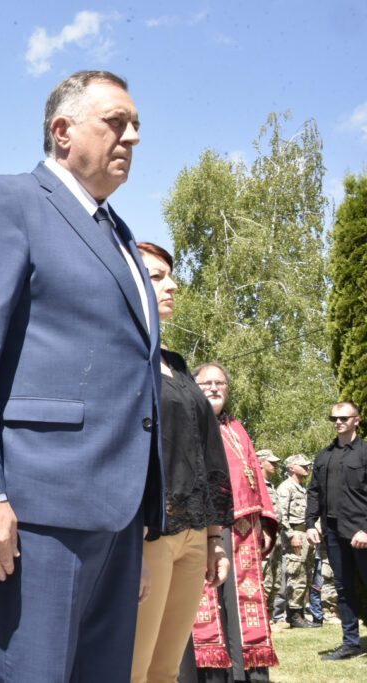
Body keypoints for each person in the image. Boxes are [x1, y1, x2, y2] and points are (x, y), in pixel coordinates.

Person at [0, 69, 164, 682]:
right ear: (63, 131)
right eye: (116, 122)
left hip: (115, 514)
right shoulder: (11, 202)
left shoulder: (117, 233)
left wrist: (137, 521)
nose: (133, 137)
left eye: (136, 126)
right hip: (38, 511)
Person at [130, 242, 232, 683]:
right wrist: (131, 546)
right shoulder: (124, 355)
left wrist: (213, 538)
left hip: (193, 534)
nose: (171, 285)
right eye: (156, 277)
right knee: (132, 669)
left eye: (170, 275)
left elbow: (204, 449)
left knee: (167, 670)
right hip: (148, 534)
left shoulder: (176, 363)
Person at [187, 362, 278, 682]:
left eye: (220, 382)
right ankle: (215, 674)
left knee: (243, 606)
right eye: (206, 383)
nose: (214, 388)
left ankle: (247, 672)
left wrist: (265, 522)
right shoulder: (189, 424)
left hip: (244, 530)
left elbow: (257, 478)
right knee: (208, 602)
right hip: (203, 526)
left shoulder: (237, 428)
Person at [306, 401, 367, 661]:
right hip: (333, 533)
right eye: (334, 418)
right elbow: (314, 492)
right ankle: (351, 643)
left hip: (361, 533)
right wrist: (310, 524)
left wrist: (365, 529)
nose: (338, 422)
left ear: (357, 420)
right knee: (343, 589)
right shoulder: (324, 456)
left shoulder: (365, 452)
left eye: (343, 418)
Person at [276, 453, 316, 628]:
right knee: (296, 575)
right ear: (292, 468)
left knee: (306, 575)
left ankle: (301, 614)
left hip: (306, 534)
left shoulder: (302, 488)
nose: (307, 468)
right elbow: (281, 515)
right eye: (303, 465)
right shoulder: (286, 487)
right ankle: (293, 615)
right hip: (295, 534)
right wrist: (291, 535)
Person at [257, 450, 285, 625]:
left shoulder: (271, 486)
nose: (275, 465)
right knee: (265, 577)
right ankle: (262, 618)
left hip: (277, 535)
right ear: (260, 463)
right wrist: (264, 531)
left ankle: (270, 616)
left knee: (276, 579)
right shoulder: (257, 485)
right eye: (271, 462)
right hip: (264, 535)